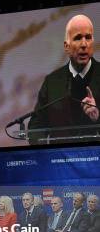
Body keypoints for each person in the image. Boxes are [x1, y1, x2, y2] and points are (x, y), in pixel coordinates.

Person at [28, 14, 100, 144]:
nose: (84, 44)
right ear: (66, 47)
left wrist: (97, 118)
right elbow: (35, 128)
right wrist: (46, 156)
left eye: (88, 37)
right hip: (60, 161)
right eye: (78, 38)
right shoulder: (52, 82)